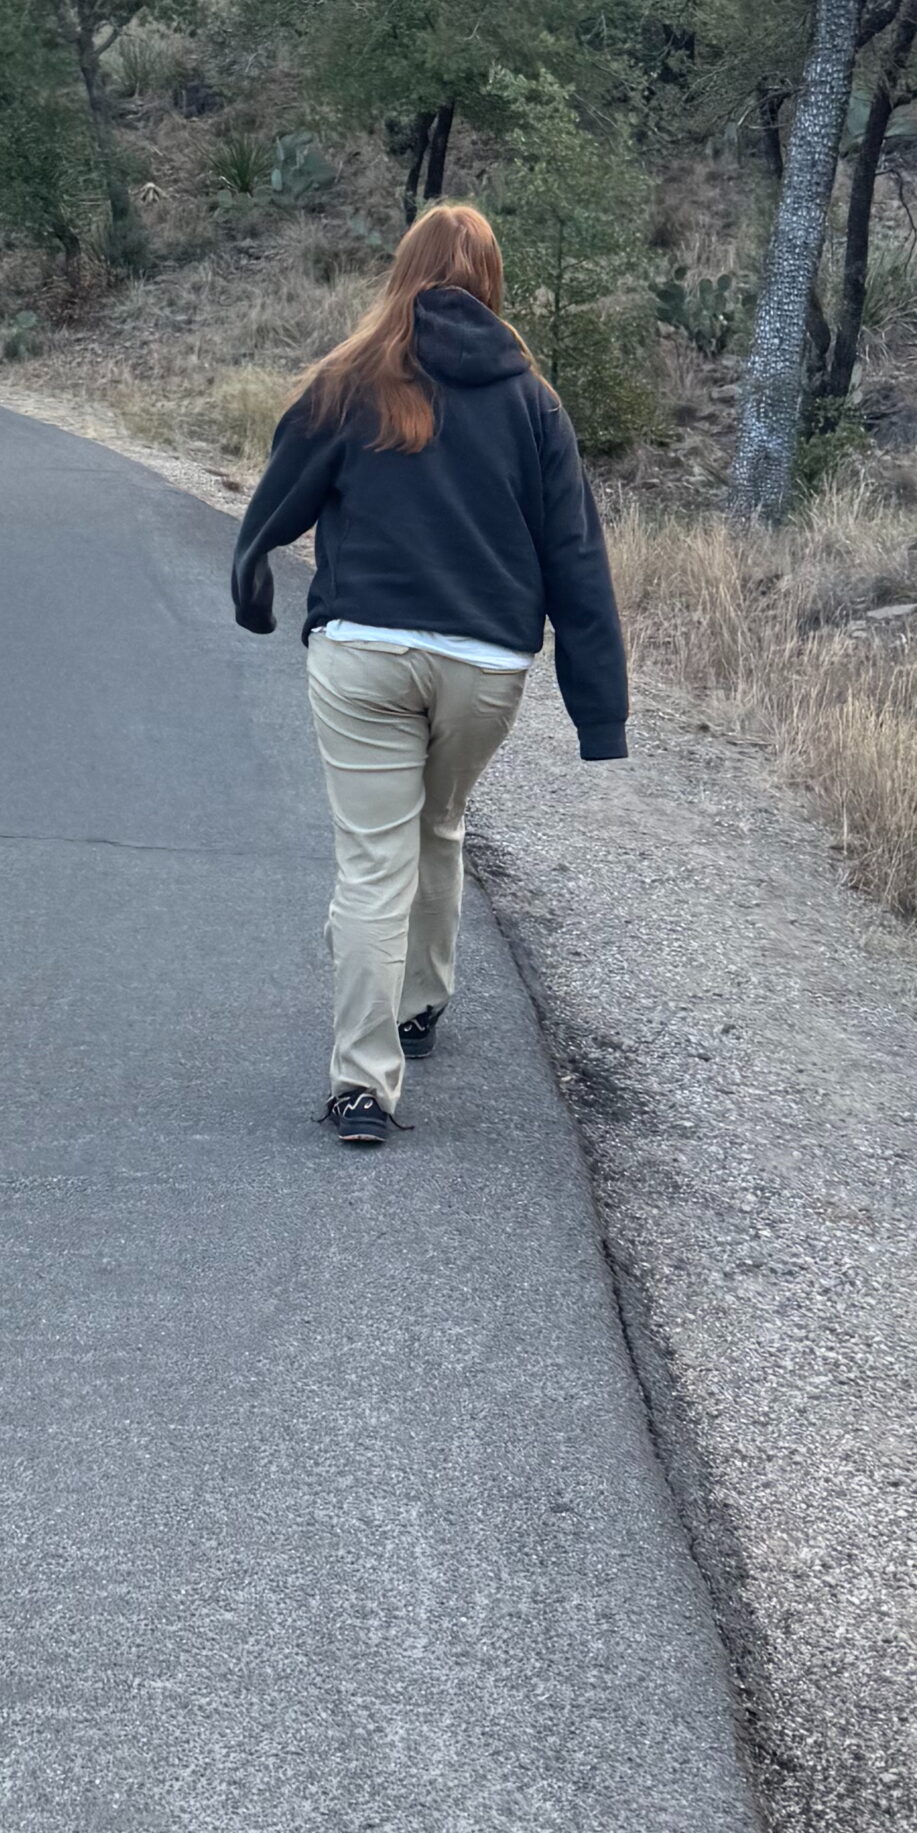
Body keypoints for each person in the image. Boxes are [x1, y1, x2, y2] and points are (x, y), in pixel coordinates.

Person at [230, 201, 628, 1145]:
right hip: (484, 667)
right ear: (491, 281)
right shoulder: (534, 402)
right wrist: (598, 713)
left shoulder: (348, 383)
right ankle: (420, 1002)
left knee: (372, 864)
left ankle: (364, 1082)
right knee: (439, 825)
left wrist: (252, 582)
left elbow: (276, 502)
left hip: (363, 653)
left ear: (402, 272)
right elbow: (575, 558)